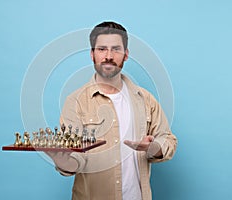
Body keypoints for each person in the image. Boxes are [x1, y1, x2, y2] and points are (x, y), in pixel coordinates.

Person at [46, 21, 177, 200]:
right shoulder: (75, 102)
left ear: (126, 54)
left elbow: (167, 139)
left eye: (116, 49)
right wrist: (63, 161)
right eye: (102, 49)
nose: (109, 56)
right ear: (92, 54)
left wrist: (152, 148)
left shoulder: (145, 99)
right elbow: (76, 160)